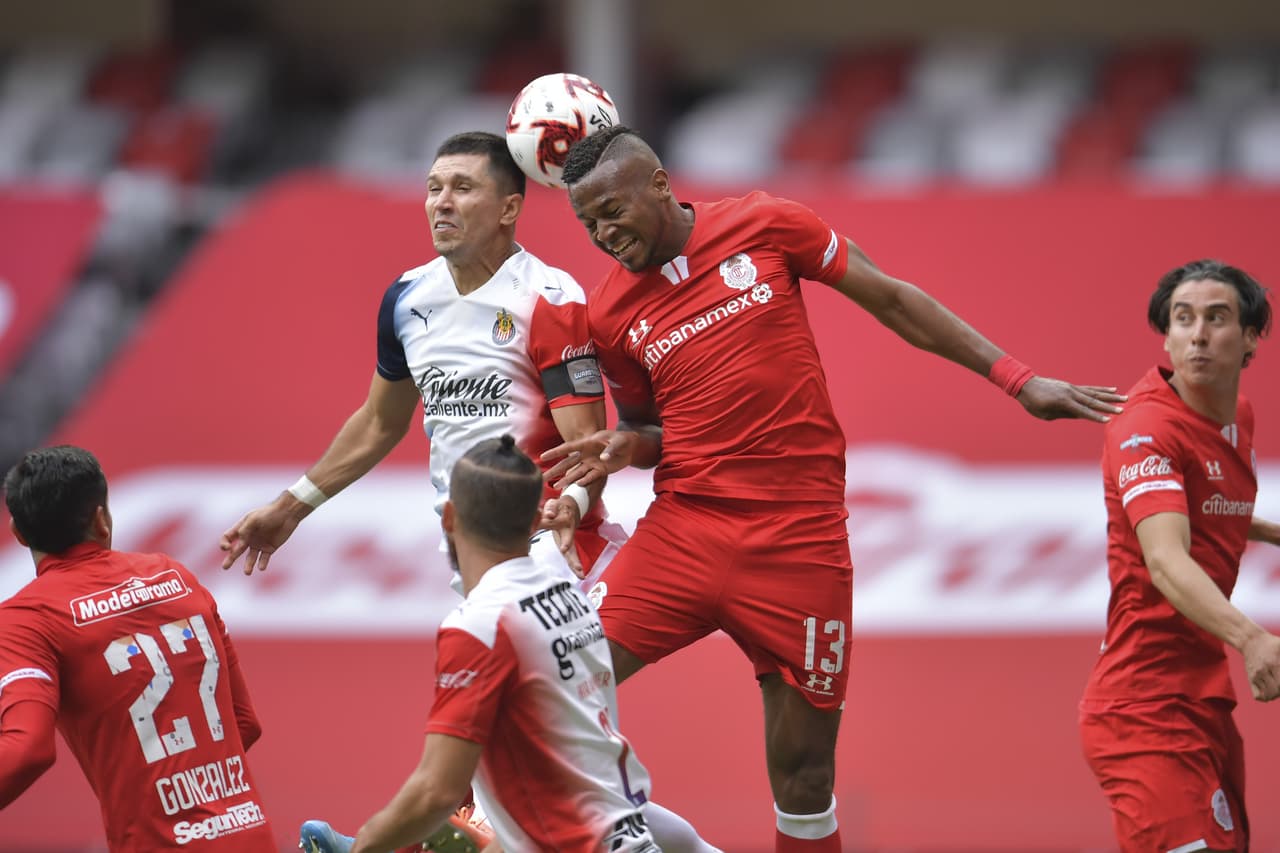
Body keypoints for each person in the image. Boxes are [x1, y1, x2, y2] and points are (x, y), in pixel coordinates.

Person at [545, 125, 1128, 852]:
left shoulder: (763, 223)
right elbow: (646, 427)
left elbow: (891, 299)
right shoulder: (610, 314)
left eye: (612, 211)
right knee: (545, 685)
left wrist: (1016, 379)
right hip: (687, 532)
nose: (603, 233)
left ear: (659, 185)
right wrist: (624, 445)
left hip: (801, 547)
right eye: (587, 222)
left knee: (804, 779)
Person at [221, 131, 716, 852]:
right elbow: (378, 422)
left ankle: (394, 845)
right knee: (568, 773)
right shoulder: (408, 298)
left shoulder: (549, 299)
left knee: (509, 768)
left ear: (510, 206)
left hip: (553, 557)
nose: (440, 202)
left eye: (461, 187)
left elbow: (587, 446)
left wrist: (558, 530)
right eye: (432, 187)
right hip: (478, 560)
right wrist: (293, 504)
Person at [304, 435, 663, 853]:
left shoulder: (480, 627)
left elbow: (437, 791)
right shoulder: (572, 599)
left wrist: (363, 848)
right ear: (536, 519)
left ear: (449, 517)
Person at [1079, 259, 1280, 853]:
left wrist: (1268, 532)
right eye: (1183, 319)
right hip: (1140, 710)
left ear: (1249, 339)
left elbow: (1206, 510)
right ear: (1165, 336)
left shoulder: (1236, 419)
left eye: (1217, 318)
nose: (1197, 334)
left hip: (1199, 702)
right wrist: (1252, 638)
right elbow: (1167, 559)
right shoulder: (1144, 430)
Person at [0, 445, 276, 850]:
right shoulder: (175, 576)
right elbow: (243, 722)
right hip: (250, 835)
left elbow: (26, 750)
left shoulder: (26, 617)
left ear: (19, 533)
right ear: (102, 518)